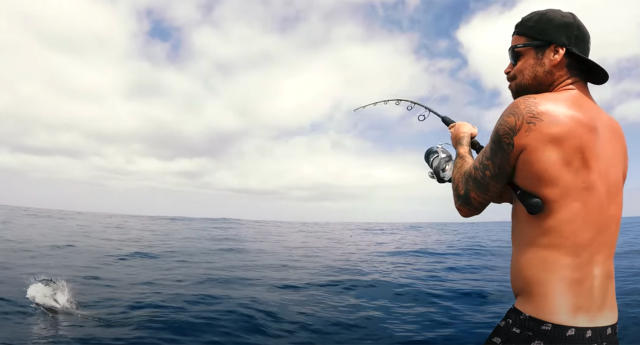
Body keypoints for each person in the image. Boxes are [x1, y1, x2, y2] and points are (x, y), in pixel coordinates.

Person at [447, 9, 627, 345]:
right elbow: (554, 201)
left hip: (541, 328)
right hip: (605, 331)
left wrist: (460, 147)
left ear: (556, 52)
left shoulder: (528, 111)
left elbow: (466, 202)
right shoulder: (615, 133)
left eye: (517, 54)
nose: (508, 68)